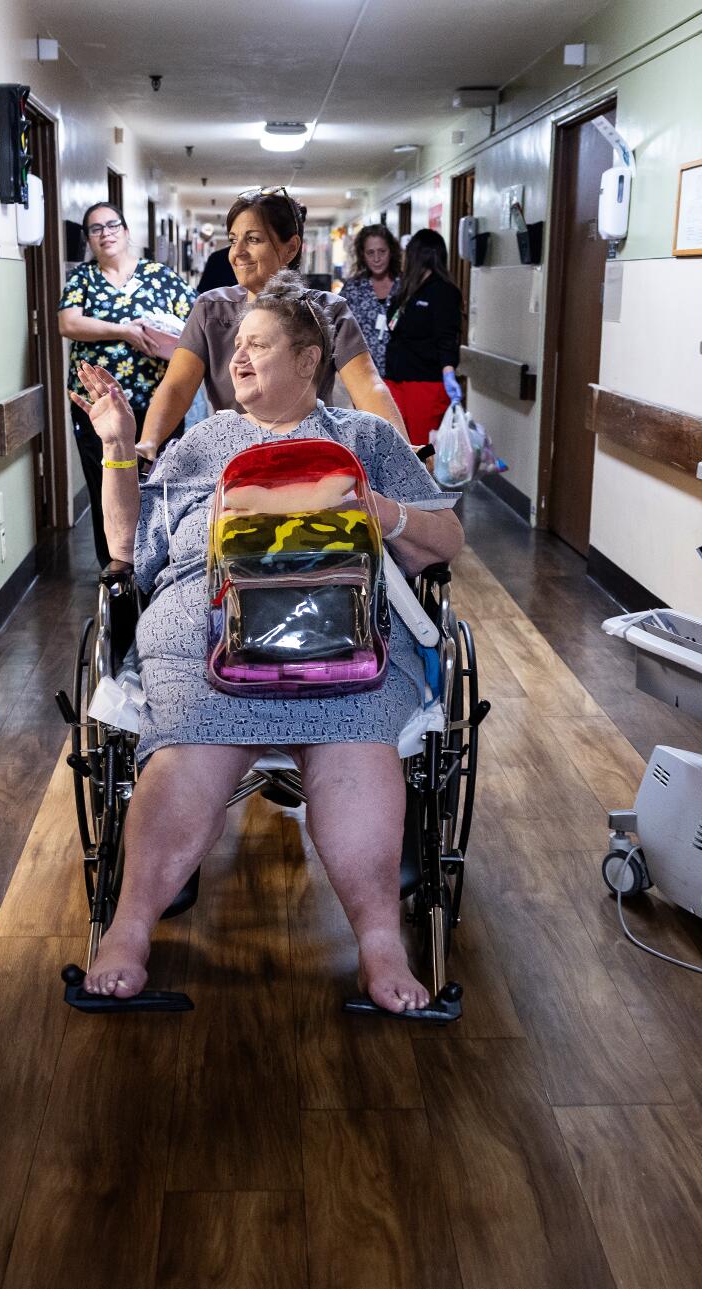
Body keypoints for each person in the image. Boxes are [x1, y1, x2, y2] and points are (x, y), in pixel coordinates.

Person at [70, 270, 465, 1013]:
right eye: (237, 346)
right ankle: (128, 929)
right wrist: (119, 445)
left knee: (355, 742)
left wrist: (382, 509)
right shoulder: (203, 440)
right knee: (189, 743)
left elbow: (447, 543)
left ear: (310, 359)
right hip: (207, 644)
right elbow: (128, 550)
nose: (238, 358)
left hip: (346, 643)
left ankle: (381, 945)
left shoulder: (365, 437)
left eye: (259, 344)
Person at [139, 188, 403, 459]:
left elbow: (368, 386)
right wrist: (149, 441)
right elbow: (177, 385)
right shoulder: (211, 309)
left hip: (309, 454)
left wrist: (401, 448)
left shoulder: (326, 310)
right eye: (233, 240)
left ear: (290, 248)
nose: (237, 252)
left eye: (253, 239)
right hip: (233, 457)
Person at [57, 201, 196, 560]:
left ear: (127, 230)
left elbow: (195, 325)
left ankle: (162, 563)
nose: (106, 234)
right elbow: (68, 323)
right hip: (100, 407)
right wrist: (125, 332)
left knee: (161, 482)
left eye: (112, 225)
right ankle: (116, 570)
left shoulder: (159, 276)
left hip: (158, 402)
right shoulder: (83, 279)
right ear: (88, 238)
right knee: (106, 485)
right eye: (96, 229)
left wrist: (166, 341)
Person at [381, 229, 463, 447]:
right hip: (396, 378)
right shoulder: (407, 290)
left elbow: (447, 337)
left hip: (424, 382)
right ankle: (399, 481)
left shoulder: (443, 291)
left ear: (419, 255)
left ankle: (425, 481)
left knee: (421, 445)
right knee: (397, 442)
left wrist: (448, 371)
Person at [336, 223, 400, 377]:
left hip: (403, 377)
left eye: (382, 251)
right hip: (364, 376)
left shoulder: (405, 286)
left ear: (391, 252)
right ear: (362, 255)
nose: (377, 258)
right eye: (370, 253)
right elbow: (340, 331)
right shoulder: (353, 288)